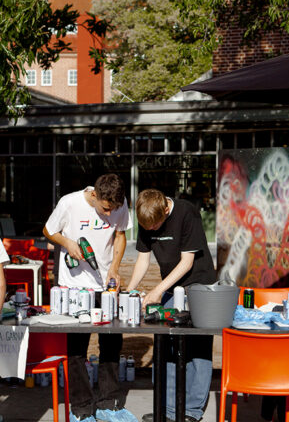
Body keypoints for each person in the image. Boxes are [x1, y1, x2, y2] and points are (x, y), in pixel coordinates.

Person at [43, 173, 137, 422]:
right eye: (105, 209)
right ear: (94, 195)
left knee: (111, 344)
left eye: (113, 209)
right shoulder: (69, 203)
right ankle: (82, 410)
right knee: (76, 349)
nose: (109, 214)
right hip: (73, 285)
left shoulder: (120, 202)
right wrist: (67, 242)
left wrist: (115, 268)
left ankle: (109, 404)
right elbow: (49, 230)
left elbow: (120, 235)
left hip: (106, 285)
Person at [126, 189, 216, 422]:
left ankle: (192, 411)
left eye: (155, 226)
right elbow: (143, 260)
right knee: (165, 345)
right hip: (171, 286)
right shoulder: (146, 216)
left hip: (199, 284)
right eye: (147, 227)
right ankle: (167, 409)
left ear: (166, 209)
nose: (152, 230)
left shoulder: (188, 213)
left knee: (198, 349)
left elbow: (187, 263)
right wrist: (128, 290)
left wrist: (157, 290)